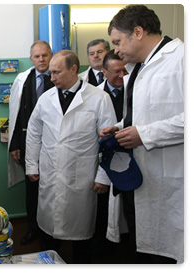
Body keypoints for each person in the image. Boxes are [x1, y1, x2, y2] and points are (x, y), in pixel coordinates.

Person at [101, 4, 184, 264]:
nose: (115, 50)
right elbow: (145, 112)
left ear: (137, 32)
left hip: (173, 179)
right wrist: (121, 125)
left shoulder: (182, 58)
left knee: (170, 254)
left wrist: (144, 134)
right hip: (141, 179)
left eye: (117, 42)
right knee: (141, 247)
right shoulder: (137, 68)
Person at [25, 50, 116, 263]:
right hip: (50, 172)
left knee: (80, 235)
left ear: (74, 69)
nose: (52, 77)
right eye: (51, 73)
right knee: (48, 231)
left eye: (57, 72)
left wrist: (103, 176)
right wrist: (31, 165)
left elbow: (109, 141)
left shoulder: (99, 98)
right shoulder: (46, 98)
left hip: (82, 177)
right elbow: (33, 132)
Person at [7, 40, 54, 245]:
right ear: (31, 58)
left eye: (45, 55)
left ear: (51, 55)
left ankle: (52, 231)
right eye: (37, 56)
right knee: (32, 189)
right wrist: (16, 144)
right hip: (29, 145)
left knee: (53, 188)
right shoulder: (22, 80)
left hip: (55, 143)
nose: (41, 59)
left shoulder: (61, 76)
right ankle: (33, 228)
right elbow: (15, 114)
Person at [91, 49, 129, 257]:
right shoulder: (94, 96)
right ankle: (101, 250)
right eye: (115, 72)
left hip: (130, 157)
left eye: (124, 70)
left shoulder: (134, 92)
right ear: (104, 72)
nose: (121, 76)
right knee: (103, 209)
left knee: (126, 210)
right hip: (102, 161)